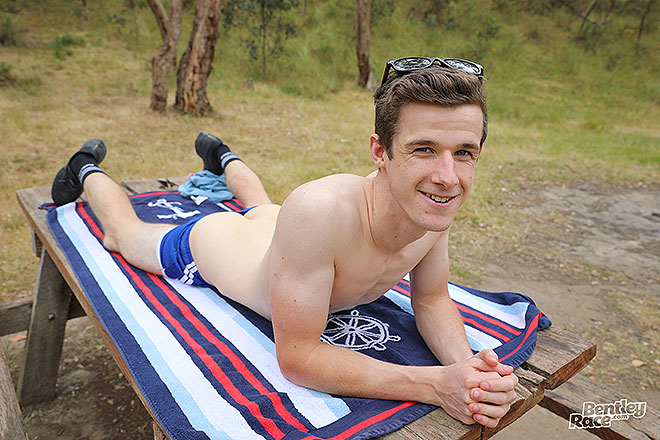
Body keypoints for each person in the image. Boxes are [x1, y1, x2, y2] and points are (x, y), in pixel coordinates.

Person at [51, 56, 518, 429]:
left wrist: (472, 374)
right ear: (380, 151)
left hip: (283, 237)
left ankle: (222, 158)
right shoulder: (320, 212)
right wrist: (435, 384)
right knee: (125, 235)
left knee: (262, 207)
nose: (447, 177)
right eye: (424, 149)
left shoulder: (431, 206)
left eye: (464, 153)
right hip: (216, 245)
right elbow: (298, 358)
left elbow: (432, 299)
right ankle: (84, 170)